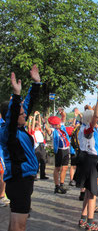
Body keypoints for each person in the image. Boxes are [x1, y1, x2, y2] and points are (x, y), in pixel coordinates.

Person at [0, 65, 41, 231]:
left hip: (24, 179)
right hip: (19, 180)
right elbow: (15, 111)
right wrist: (16, 95)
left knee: (15, 223)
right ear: (11, 116)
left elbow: (27, 105)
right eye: (21, 114)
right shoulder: (8, 132)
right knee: (19, 225)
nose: (25, 115)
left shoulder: (18, 129)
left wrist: (36, 84)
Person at [74, 84, 98, 231]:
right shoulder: (87, 129)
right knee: (92, 194)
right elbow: (96, 117)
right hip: (89, 161)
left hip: (86, 159)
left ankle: (83, 218)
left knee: (88, 191)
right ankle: (91, 223)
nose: (97, 122)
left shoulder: (82, 128)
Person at [45, 113, 70, 194]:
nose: (60, 124)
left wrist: (62, 113)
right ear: (55, 125)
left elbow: (64, 118)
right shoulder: (53, 130)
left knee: (65, 167)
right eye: (58, 124)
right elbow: (48, 130)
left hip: (66, 149)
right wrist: (45, 123)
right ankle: (57, 186)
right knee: (57, 168)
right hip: (59, 150)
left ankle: (62, 184)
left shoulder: (62, 127)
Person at [30, 111, 49, 180]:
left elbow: (40, 123)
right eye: (37, 125)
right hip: (37, 146)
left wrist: (38, 116)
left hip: (42, 145)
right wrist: (34, 117)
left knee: (43, 160)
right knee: (36, 161)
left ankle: (42, 175)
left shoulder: (40, 130)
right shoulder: (33, 131)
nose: (38, 126)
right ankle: (34, 175)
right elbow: (32, 125)